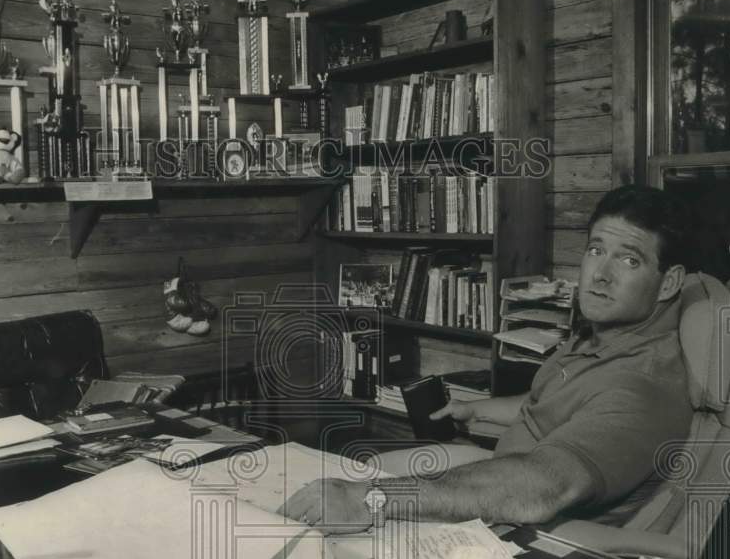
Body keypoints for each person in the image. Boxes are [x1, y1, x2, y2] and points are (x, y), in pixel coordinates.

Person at [281, 185, 694, 533]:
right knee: (333, 482)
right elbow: (549, 403)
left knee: (346, 510)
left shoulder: (643, 387)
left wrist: (373, 500)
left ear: (668, 282)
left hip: (531, 529)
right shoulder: (604, 337)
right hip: (504, 473)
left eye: (629, 260)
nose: (601, 274)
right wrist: (476, 410)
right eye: (595, 250)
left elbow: (544, 487)